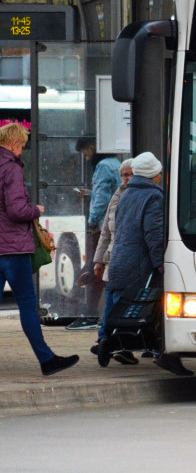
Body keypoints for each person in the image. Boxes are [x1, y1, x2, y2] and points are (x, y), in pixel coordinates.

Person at [0, 123, 79, 376]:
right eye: (21, 146)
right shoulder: (10, 168)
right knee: (26, 303)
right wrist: (36, 210)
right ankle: (47, 360)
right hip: (12, 249)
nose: (22, 151)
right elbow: (16, 210)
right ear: (14, 143)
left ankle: (47, 358)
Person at [107, 152, 192, 376]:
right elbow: (153, 234)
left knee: (128, 306)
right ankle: (165, 355)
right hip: (140, 261)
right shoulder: (154, 197)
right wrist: (160, 263)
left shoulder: (127, 194)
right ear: (155, 175)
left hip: (121, 258)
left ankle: (111, 342)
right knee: (160, 306)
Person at [90, 158, 138, 365]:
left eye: (130, 174)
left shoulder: (139, 195)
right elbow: (106, 234)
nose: (126, 179)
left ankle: (115, 342)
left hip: (130, 260)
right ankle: (106, 340)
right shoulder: (117, 195)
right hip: (113, 259)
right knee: (111, 301)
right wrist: (98, 260)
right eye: (123, 175)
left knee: (118, 302)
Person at [74, 137, 122, 324]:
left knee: (97, 267)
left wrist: (92, 221)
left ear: (93, 148)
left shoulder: (102, 166)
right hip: (116, 223)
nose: (86, 159)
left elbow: (102, 197)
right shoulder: (117, 163)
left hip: (103, 226)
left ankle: (90, 313)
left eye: (86, 154)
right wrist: (90, 193)